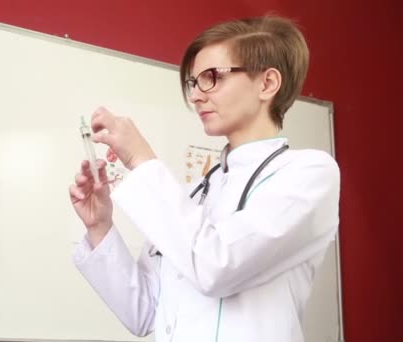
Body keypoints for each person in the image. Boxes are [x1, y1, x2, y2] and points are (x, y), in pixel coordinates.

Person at [68, 15, 340, 342]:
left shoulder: (308, 174)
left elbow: (217, 267)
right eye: (193, 82)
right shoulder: (198, 192)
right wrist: (100, 227)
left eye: (211, 77)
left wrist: (139, 158)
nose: (196, 95)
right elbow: (142, 312)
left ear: (267, 84)